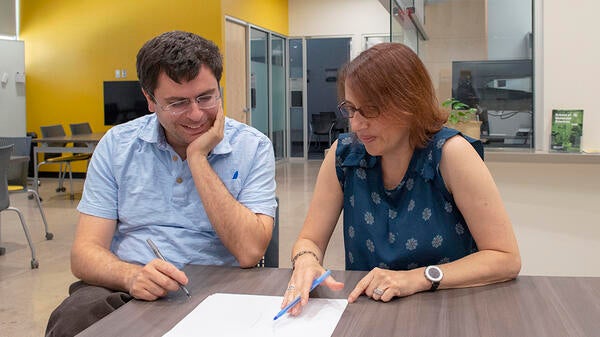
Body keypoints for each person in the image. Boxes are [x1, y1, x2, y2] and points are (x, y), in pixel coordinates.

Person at [46, 31, 277, 336]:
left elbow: (249, 251)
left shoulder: (253, 146)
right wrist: (131, 276)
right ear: (150, 100)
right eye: (178, 103)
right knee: (73, 317)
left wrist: (198, 159)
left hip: (221, 288)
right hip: (132, 284)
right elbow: (85, 253)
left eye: (206, 97)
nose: (196, 114)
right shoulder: (117, 145)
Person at [281, 43, 521, 316]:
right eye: (351, 109)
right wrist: (305, 261)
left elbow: (505, 258)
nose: (357, 125)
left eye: (370, 110)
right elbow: (309, 240)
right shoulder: (344, 156)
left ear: (409, 104)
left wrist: (417, 278)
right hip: (369, 313)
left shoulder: (450, 154)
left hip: (449, 311)